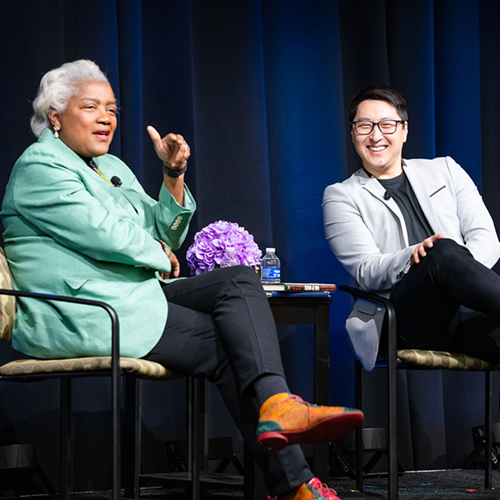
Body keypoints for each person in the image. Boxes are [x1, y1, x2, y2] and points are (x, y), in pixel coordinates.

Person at [1, 60, 363, 500]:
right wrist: (156, 253)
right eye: (91, 107)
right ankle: (294, 482)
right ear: (55, 116)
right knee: (228, 346)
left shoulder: (109, 166)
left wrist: (172, 176)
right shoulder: (40, 167)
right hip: (80, 310)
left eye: (112, 109)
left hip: (129, 294)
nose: (106, 119)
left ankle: (279, 411)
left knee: (237, 282)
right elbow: (102, 233)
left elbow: (163, 232)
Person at [322, 85, 500, 372]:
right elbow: (367, 270)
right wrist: (416, 255)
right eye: (365, 126)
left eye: (387, 125)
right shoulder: (341, 195)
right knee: (440, 251)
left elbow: (487, 239)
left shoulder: (446, 170)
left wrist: (460, 275)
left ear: (404, 131)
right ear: (353, 134)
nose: (376, 135)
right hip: (403, 320)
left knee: (447, 254)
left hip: (470, 311)